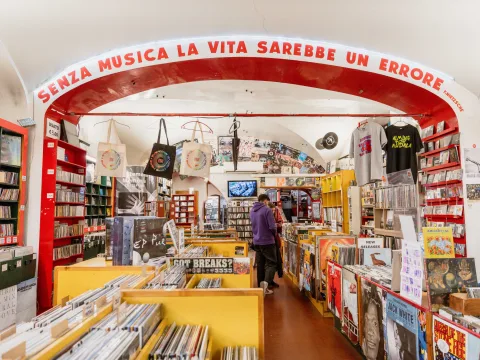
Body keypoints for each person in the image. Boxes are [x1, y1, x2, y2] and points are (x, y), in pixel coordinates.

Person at [250, 194, 277, 295]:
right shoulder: (267, 210)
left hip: (256, 241)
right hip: (267, 241)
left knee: (260, 264)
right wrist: (274, 234)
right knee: (271, 263)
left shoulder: (252, 210)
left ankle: (260, 288)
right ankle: (266, 285)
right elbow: (272, 227)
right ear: (265, 201)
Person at [267, 202, 283, 287]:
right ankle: (268, 282)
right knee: (272, 262)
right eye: (272, 210)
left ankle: (270, 280)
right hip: (271, 241)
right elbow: (271, 228)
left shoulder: (273, 216)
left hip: (274, 240)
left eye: (274, 210)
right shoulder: (267, 217)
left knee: (275, 261)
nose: (273, 212)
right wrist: (276, 226)